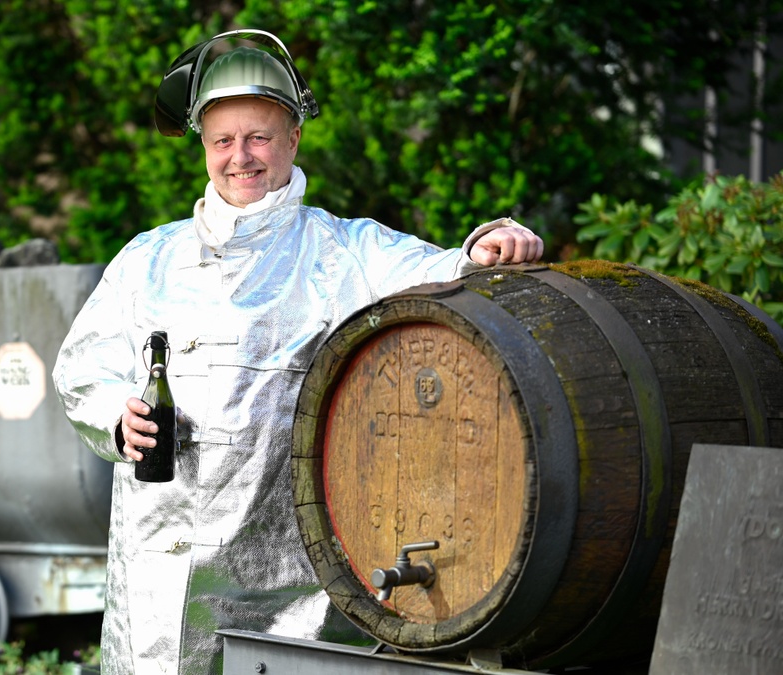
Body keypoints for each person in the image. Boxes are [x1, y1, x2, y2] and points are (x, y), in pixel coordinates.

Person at [53, 29, 544, 675]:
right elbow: (79, 369)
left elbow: (443, 267)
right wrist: (117, 416)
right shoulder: (147, 257)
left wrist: (491, 242)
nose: (241, 157)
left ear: (292, 138)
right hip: (159, 562)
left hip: (288, 573)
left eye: (258, 136)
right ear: (202, 146)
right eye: (223, 140)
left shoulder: (344, 250)